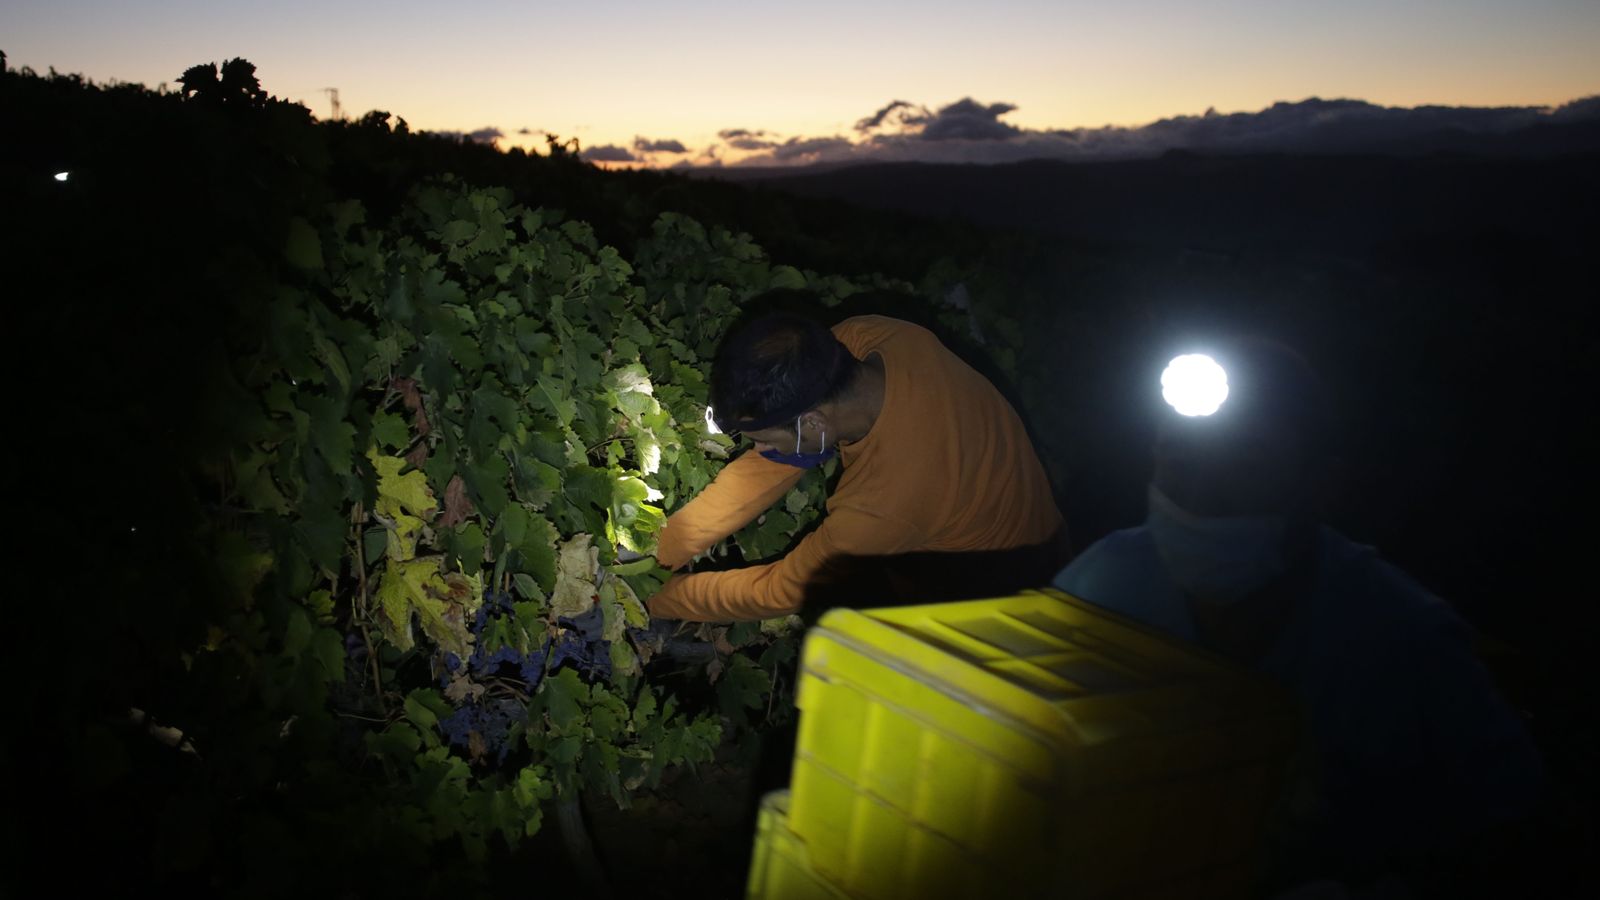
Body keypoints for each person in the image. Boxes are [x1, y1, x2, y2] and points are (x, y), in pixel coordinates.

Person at [1051, 339, 1544, 894]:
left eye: (1245, 466)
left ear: (1321, 487)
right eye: (1178, 461)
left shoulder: (1403, 636)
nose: (1199, 494)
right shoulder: (1105, 582)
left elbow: (1518, 829)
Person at [644, 300, 1065, 622]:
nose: (756, 449)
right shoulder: (869, 339)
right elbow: (773, 462)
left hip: (1005, 584)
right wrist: (664, 551)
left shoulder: (884, 503)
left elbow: (781, 591)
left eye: (757, 437)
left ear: (813, 423)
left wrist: (656, 598)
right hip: (1014, 501)